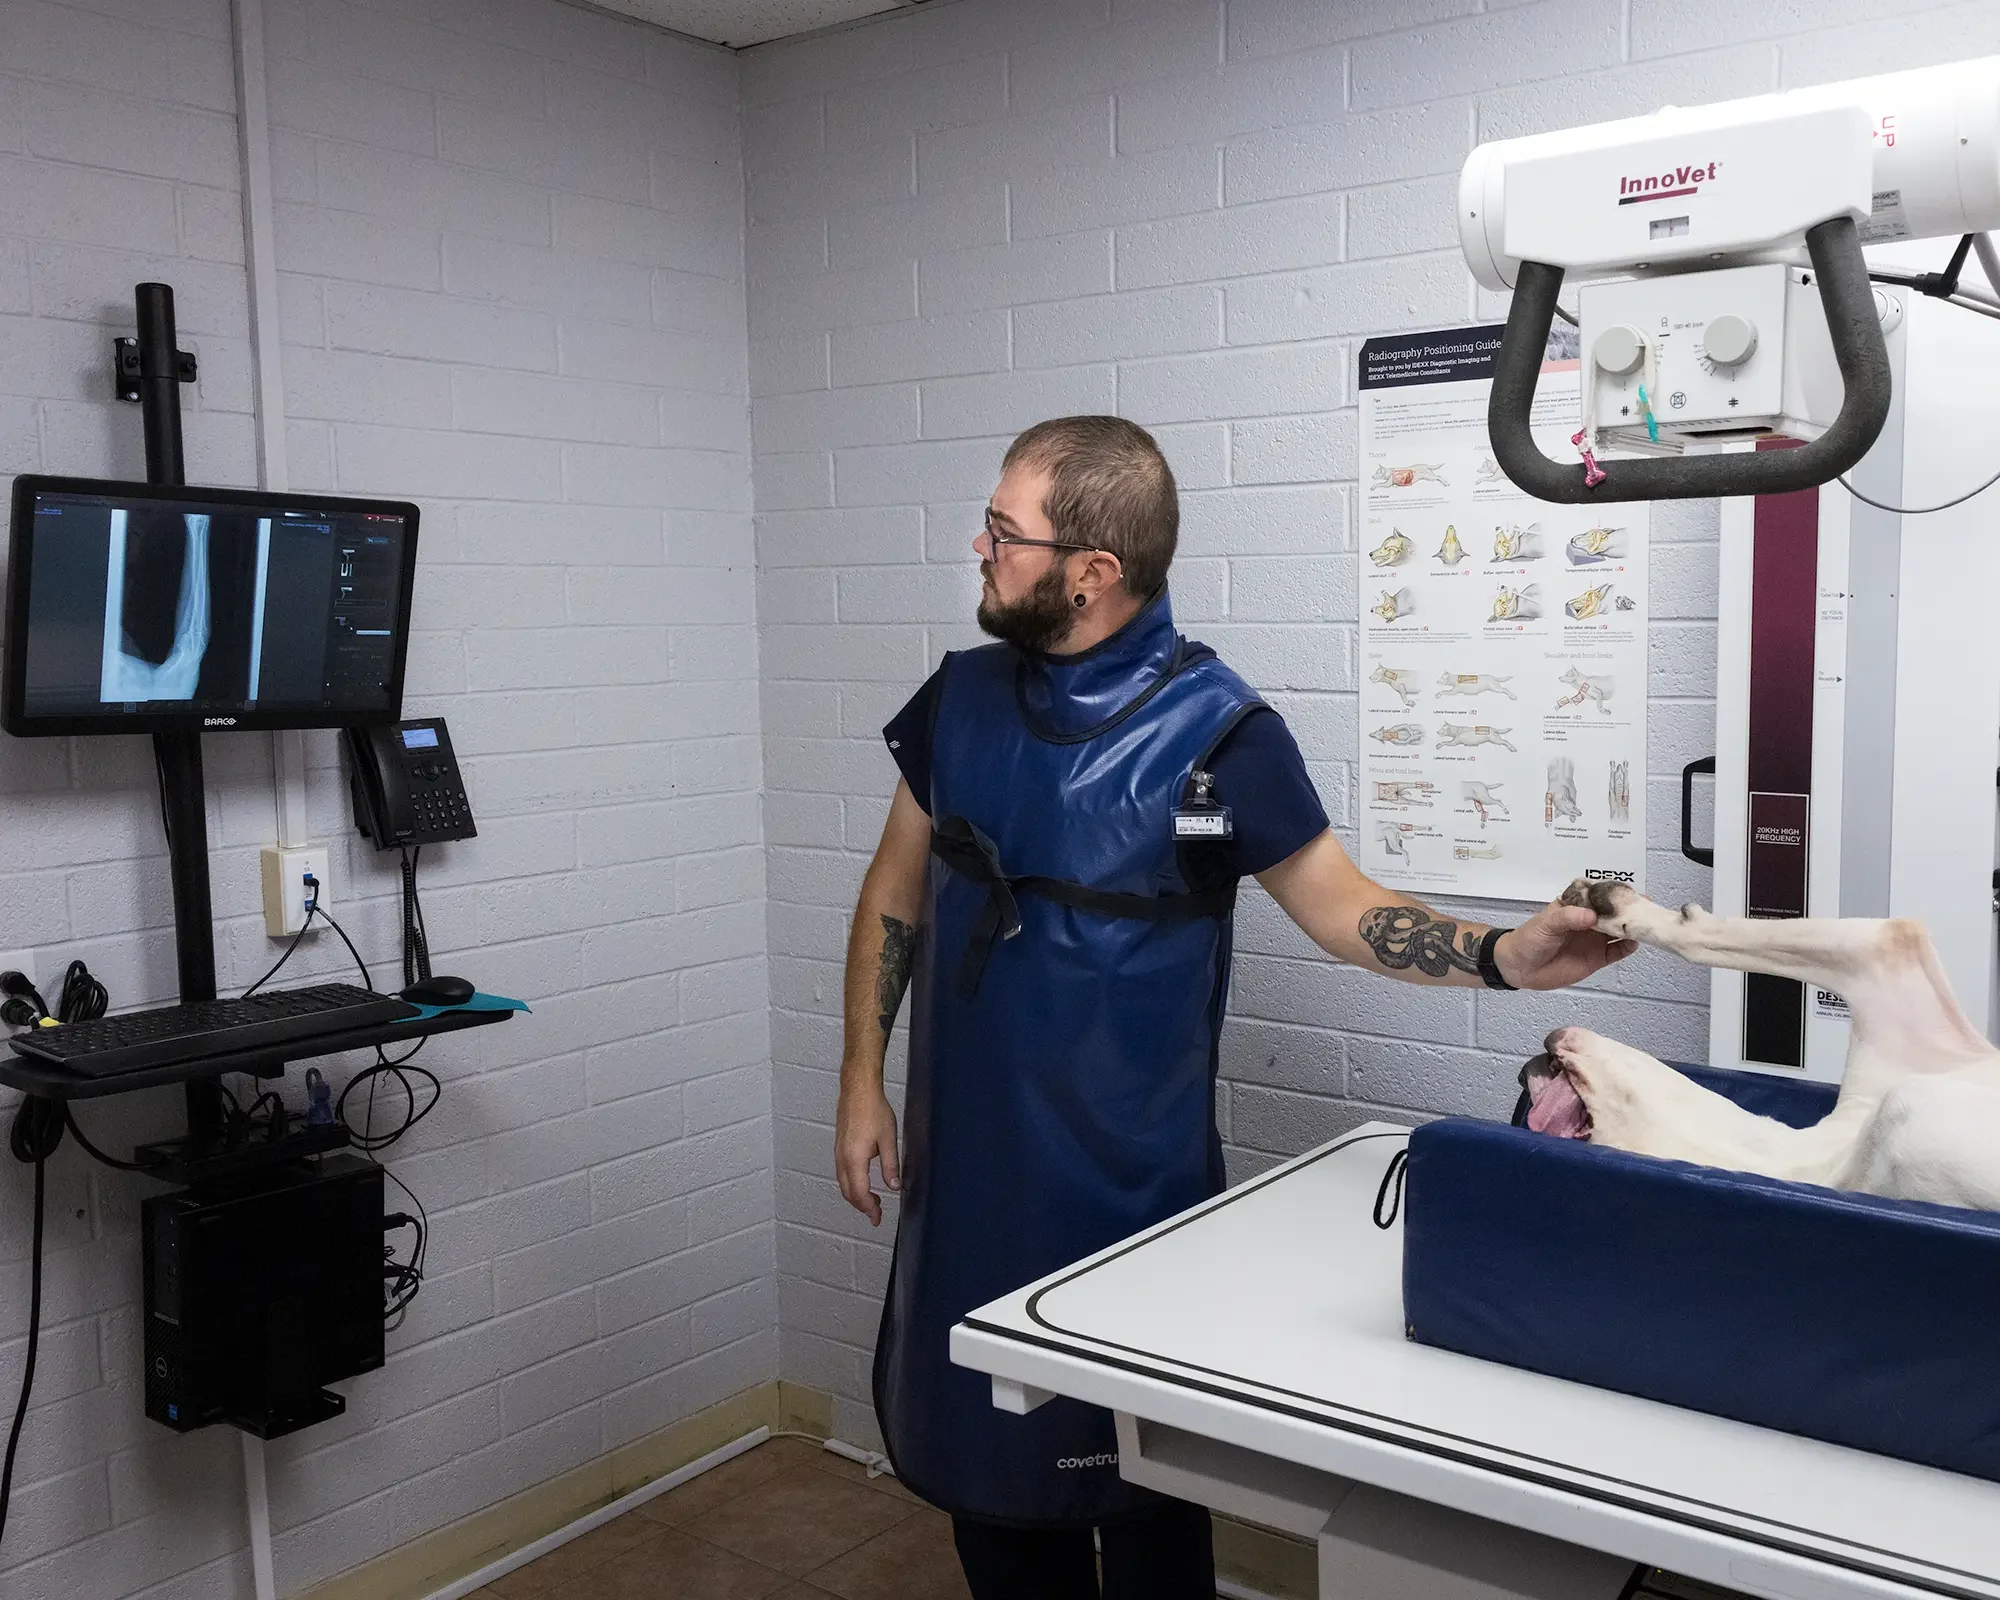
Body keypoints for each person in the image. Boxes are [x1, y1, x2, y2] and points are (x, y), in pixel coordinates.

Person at [833, 416, 1632, 1600]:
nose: (980, 545)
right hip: (967, 1175)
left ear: (1091, 571)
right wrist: (861, 1077)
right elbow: (896, 886)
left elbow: (1341, 909)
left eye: (1005, 531)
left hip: (1128, 1191)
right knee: (990, 1501)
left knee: (1147, 1501)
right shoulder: (957, 701)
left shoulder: (1220, 732)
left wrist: (1507, 955)